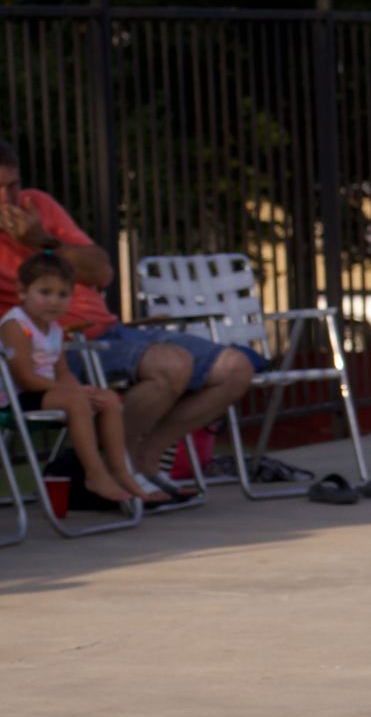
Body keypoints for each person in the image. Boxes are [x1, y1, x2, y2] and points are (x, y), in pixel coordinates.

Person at [0, 139, 258, 498]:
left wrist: (41, 240)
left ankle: (142, 460)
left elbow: (102, 272)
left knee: (236, 368)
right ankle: (115, 470)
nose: (7, 199)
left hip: (111, 331)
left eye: (11, 185)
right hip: (58, 345)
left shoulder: (36, 205)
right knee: (170, 365)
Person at [0, 252, 165, 507]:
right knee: (77, 402)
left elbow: (63, 373)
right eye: (45, 292)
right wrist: (76, 395)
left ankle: (120, 470)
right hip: (15, 397)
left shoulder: (55, 329)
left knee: (108, 399)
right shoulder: (16, 325)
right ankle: (94, 474)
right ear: (22, 292)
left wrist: (83, 390)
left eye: (62, 294)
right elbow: (25, 378)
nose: (53, 301)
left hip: (45, 393)